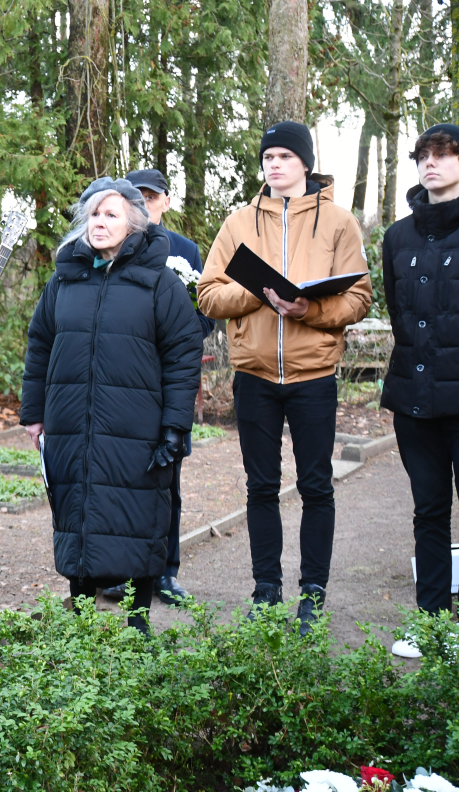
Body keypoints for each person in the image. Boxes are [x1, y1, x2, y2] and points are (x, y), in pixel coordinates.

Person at [198, 121, 372, 635]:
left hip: (314, 374)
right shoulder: (238, 223)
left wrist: (305, 309)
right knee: (261, 487)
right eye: (268, 157)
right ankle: (266, 589)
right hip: (254, 376)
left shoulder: (340, 222)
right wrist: (257, 293)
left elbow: (359, 298)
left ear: (305, 163)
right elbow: (208, 294)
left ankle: (313, 593)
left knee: (317, 487)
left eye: (284, 156)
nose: (274, 165)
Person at [20, 178, 202, 632]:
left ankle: (137, 621)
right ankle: (81, 615)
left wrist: (176, 426)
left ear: (134, 224)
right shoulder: (64, 279)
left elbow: (183, 353)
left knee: (139, 515)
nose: (99, 223)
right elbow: (39, 345)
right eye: (93, 215)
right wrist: (34, 412)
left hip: (136, 425)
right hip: (70, 421)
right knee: (76, 508)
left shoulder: (159, 283)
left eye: (110, 215)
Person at [102, 169, 216, 606]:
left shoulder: (185, 251)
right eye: (137, 196)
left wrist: (173, 329)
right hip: (117, 382)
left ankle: (165, 572)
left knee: (165, 483)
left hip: (164, 383)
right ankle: (115, 573)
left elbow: (206, 315)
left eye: (152, 196)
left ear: (166, 201)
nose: (146, 203)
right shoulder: (108, 246)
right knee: (113, 478)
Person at [379, 123, 459, 657]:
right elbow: (398, 312)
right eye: (423, 156)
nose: (431, 163)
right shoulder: (397, 237)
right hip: (415, 398)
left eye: (444, 154)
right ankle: (433, 627)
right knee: (429, 511)